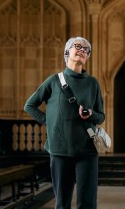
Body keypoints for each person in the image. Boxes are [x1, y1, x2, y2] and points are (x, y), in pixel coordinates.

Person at [25, 37, 105, 209]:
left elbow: (101, 116)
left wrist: (91, 114)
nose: (83, 50)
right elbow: (30, 105)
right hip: (60, 149)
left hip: (87, 149)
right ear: (67, 51)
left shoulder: (92, 83)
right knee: (62, 203)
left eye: (86, 50)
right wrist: (50, 123)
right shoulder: (54, 81)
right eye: (78, 47)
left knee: (88, 203)